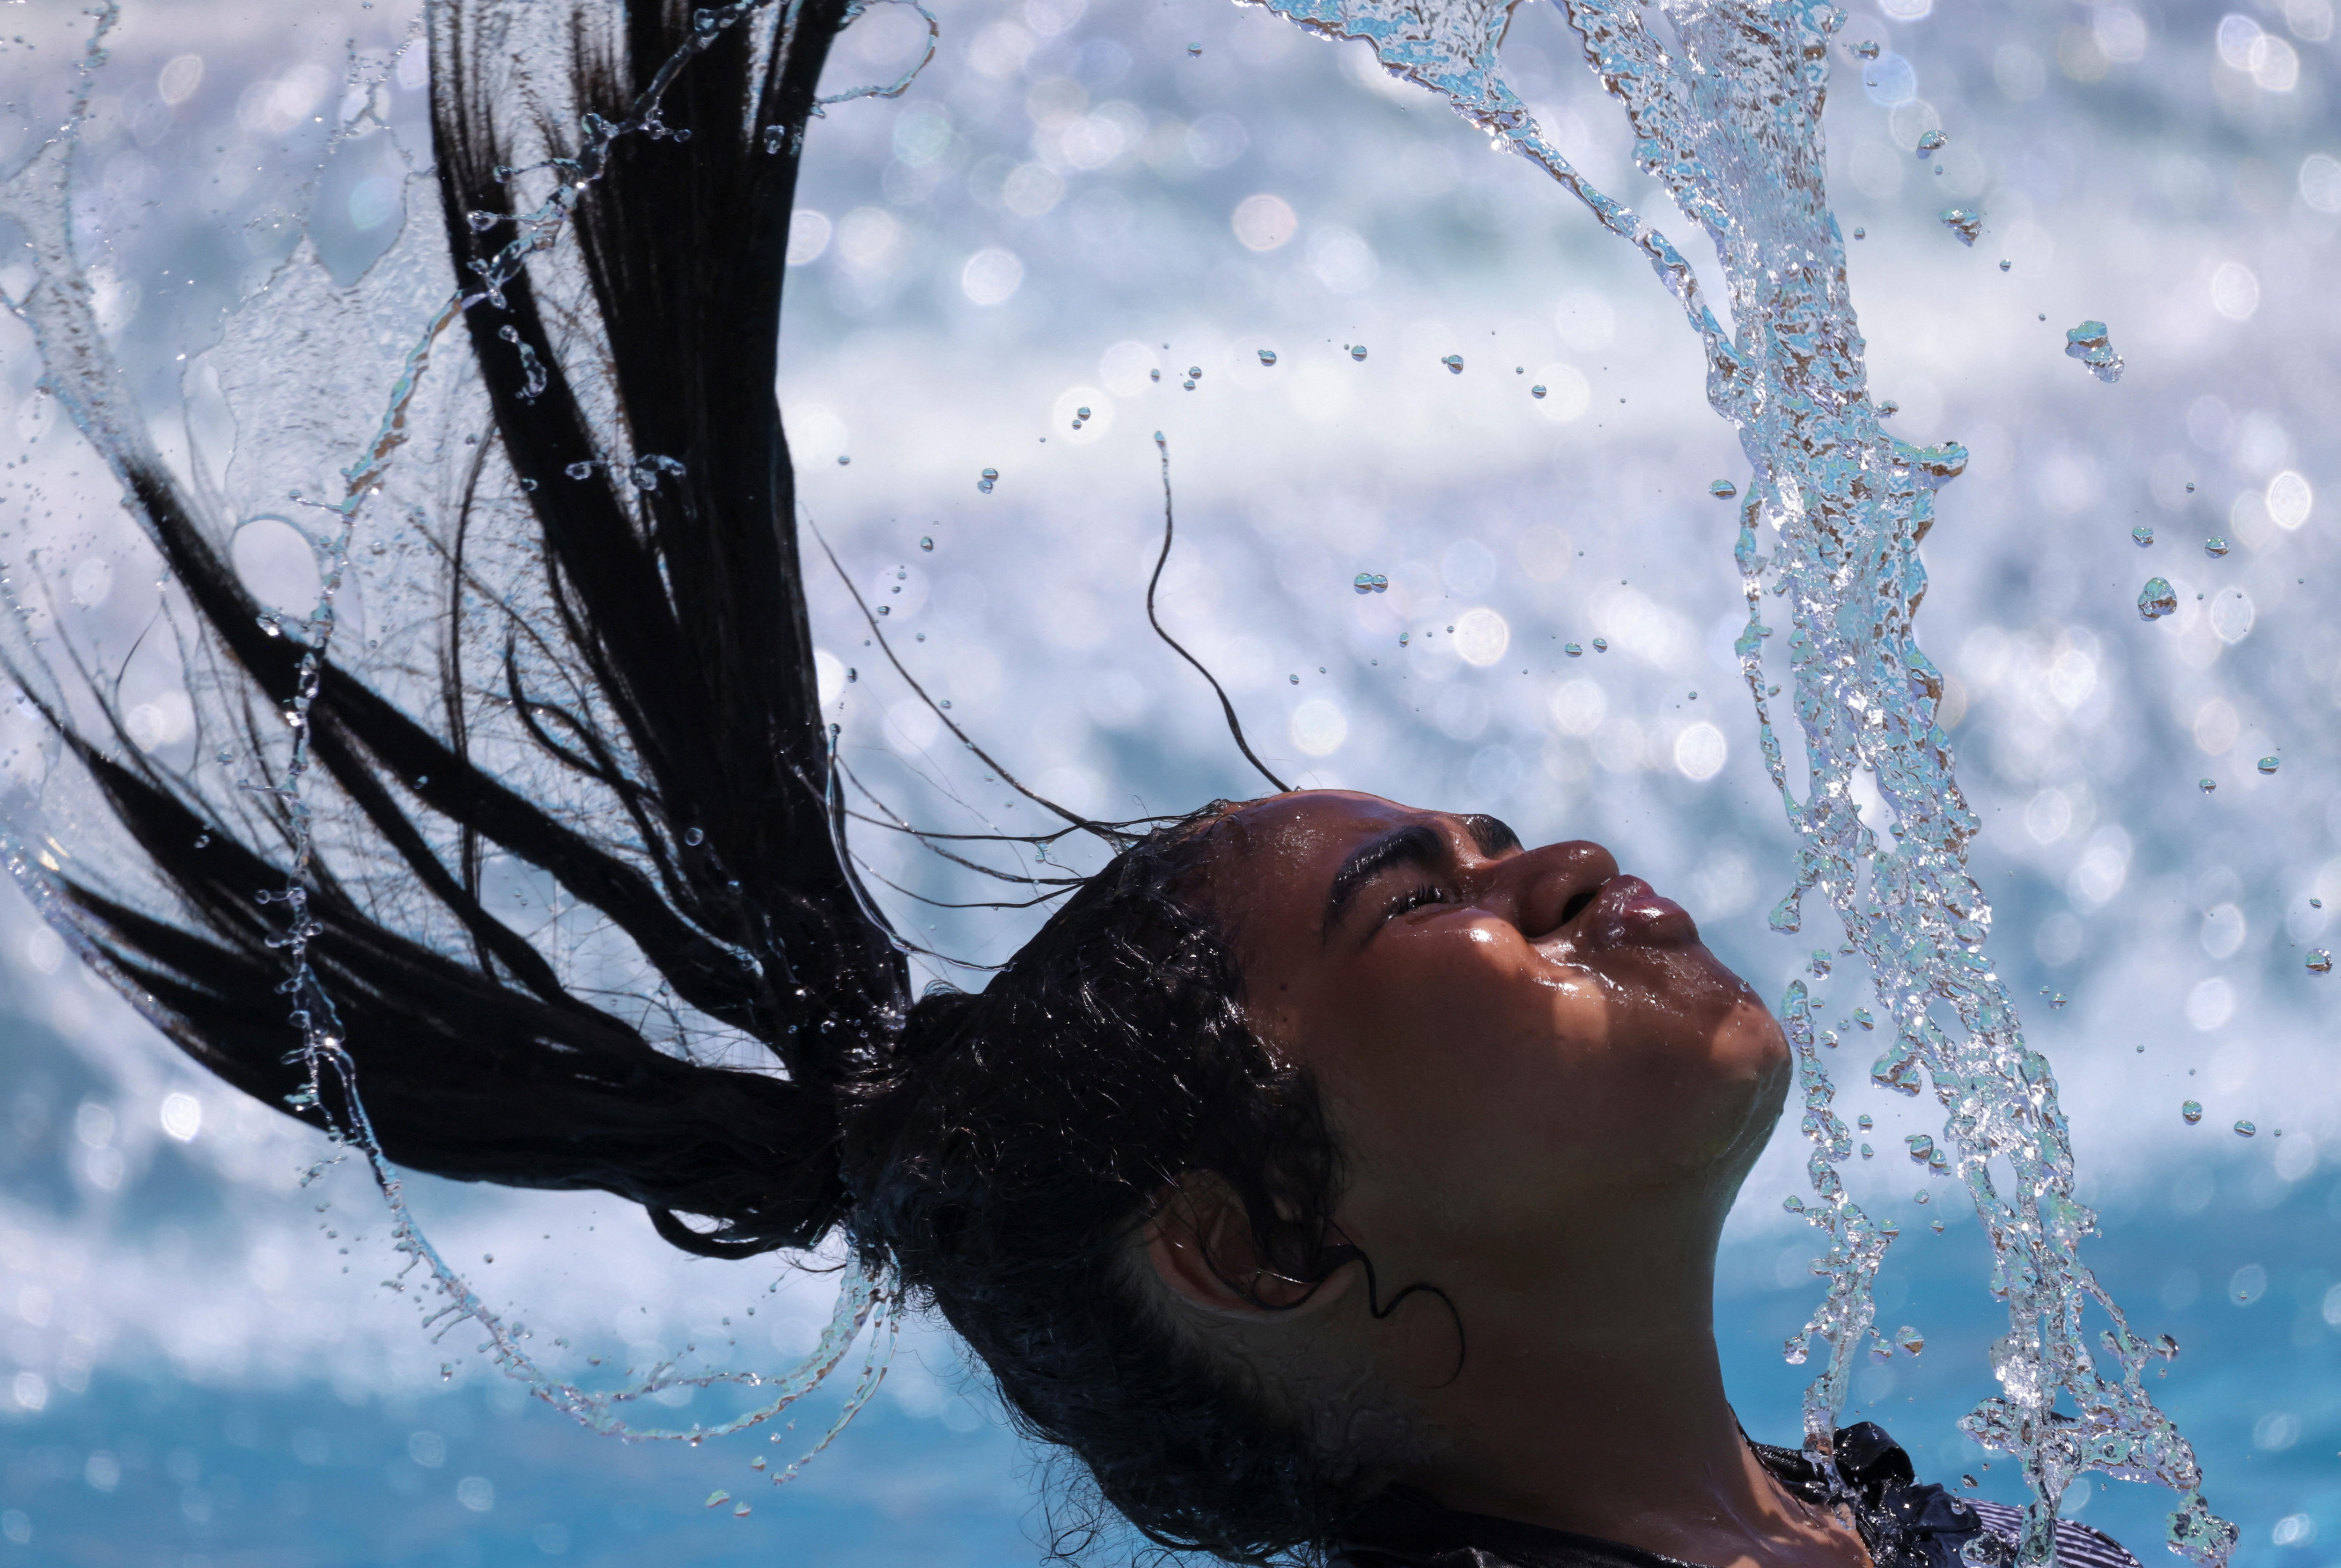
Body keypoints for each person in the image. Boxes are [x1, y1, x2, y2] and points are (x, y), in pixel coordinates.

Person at [3, 4, 2143, 1567]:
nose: (1569, 868)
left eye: (1485, 849)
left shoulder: (1867, 1509)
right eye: (1418, 902)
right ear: (1245, 1238)